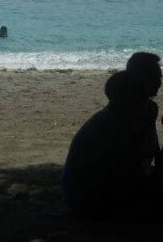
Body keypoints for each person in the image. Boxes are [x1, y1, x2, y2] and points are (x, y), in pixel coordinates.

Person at [61, 70, 156, 221]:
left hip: (79, 198)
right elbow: (133, 167)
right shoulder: (116, 125)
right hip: (92, 204)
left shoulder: (109, 118)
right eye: (142, 94)